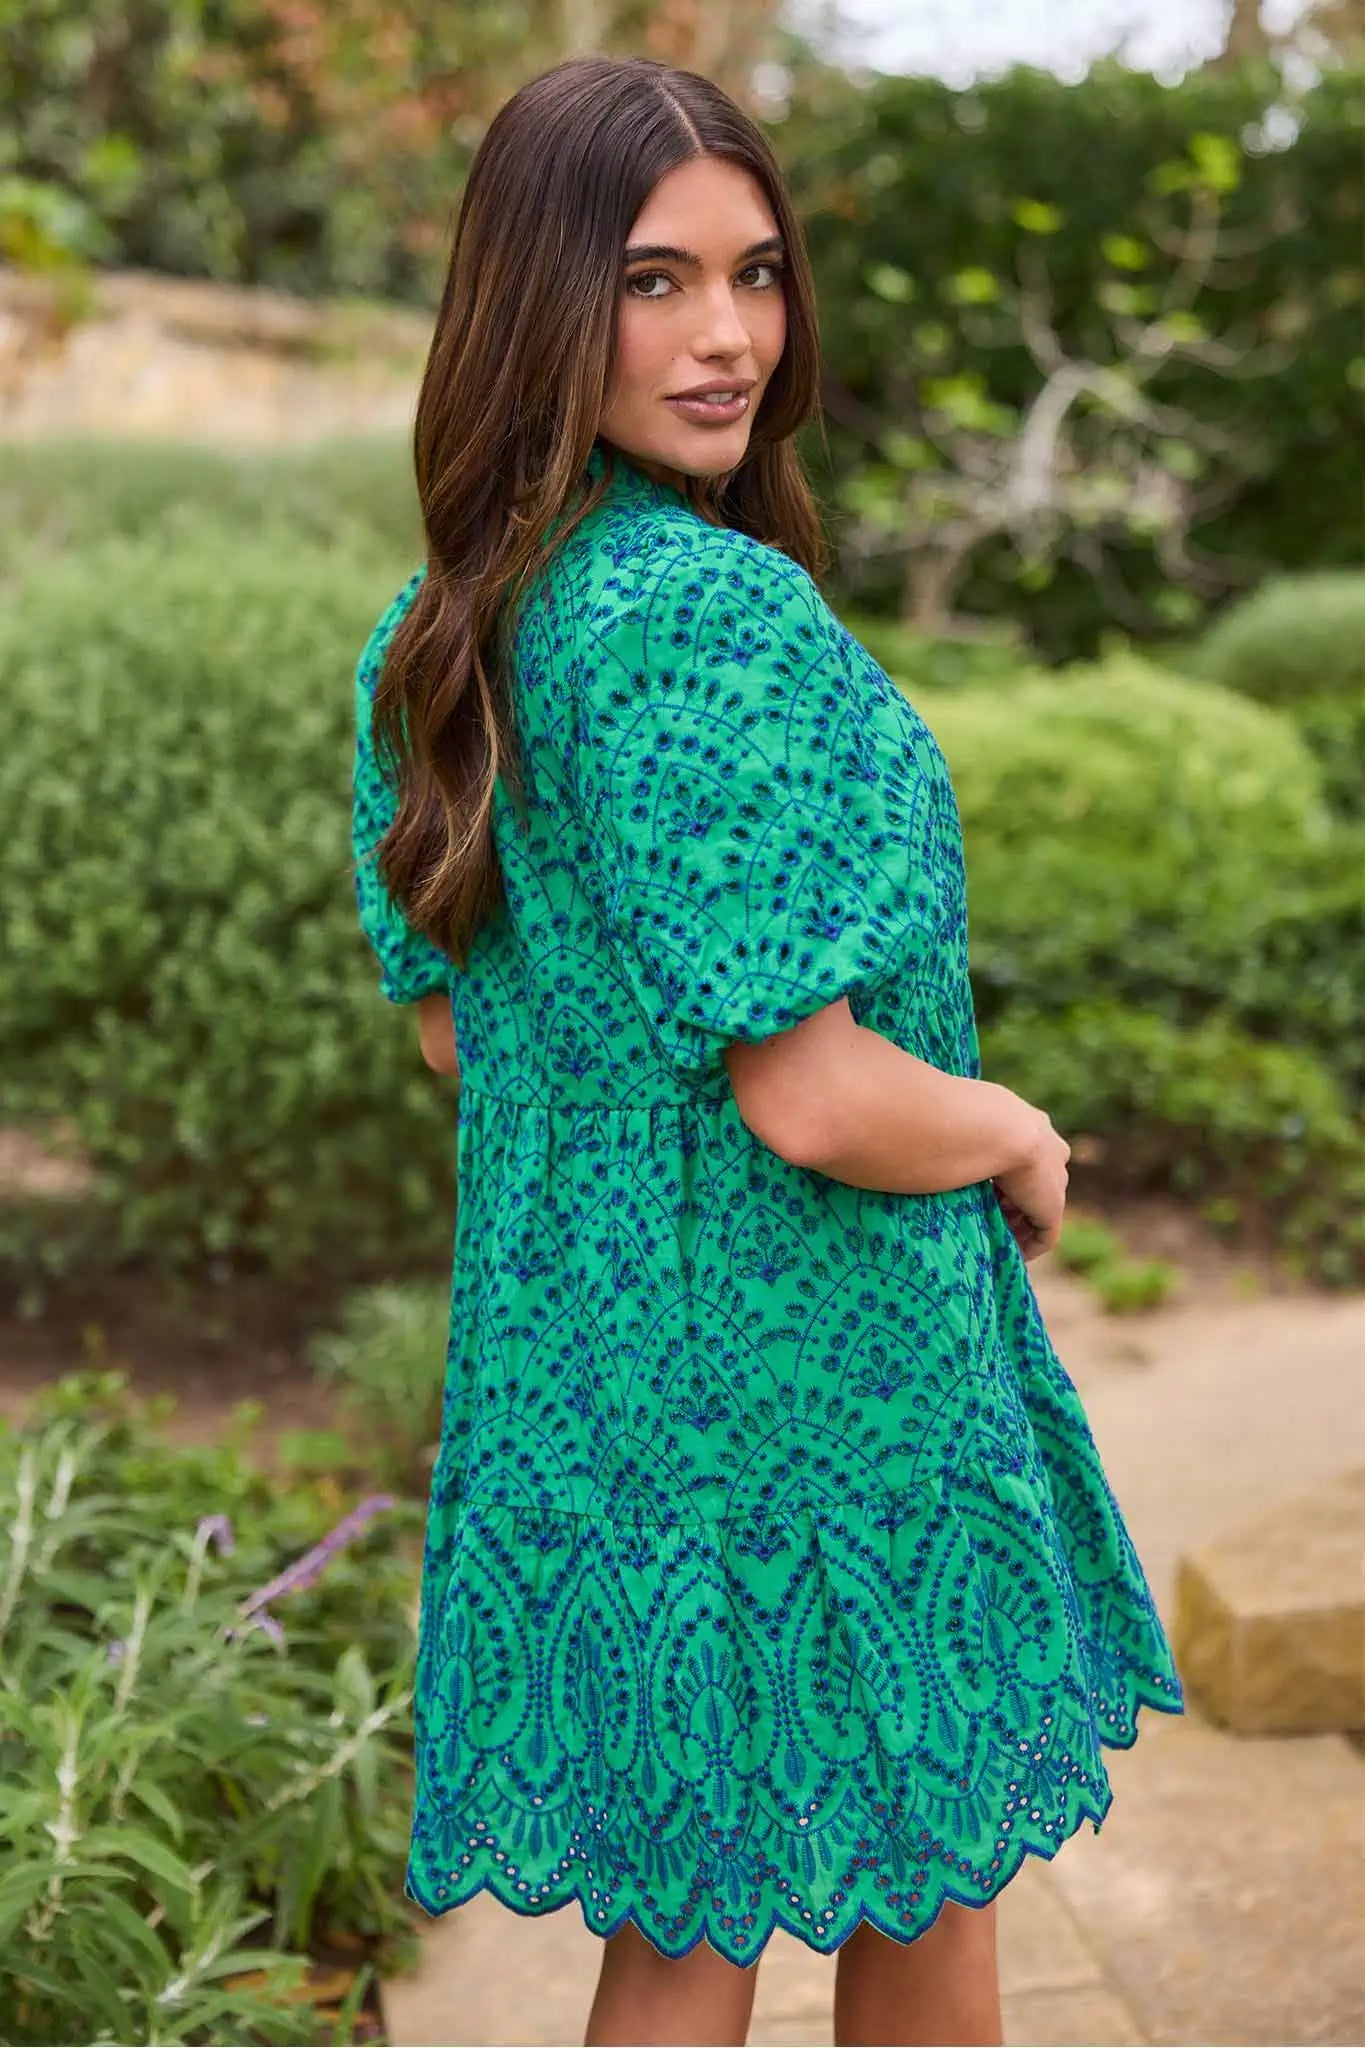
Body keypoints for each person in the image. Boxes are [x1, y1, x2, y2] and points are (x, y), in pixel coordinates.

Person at [350, 52, 1185, 2048]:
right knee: (929, 1898)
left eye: (752, 272)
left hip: (602, 1394)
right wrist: (1007, 1128)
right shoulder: (707, 617)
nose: (722, 336)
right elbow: (805, 1086)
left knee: (679, 1940)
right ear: (534, 299)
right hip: (830, 1395)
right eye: (648, 280)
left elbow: (484, 1046)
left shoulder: (448, 621)